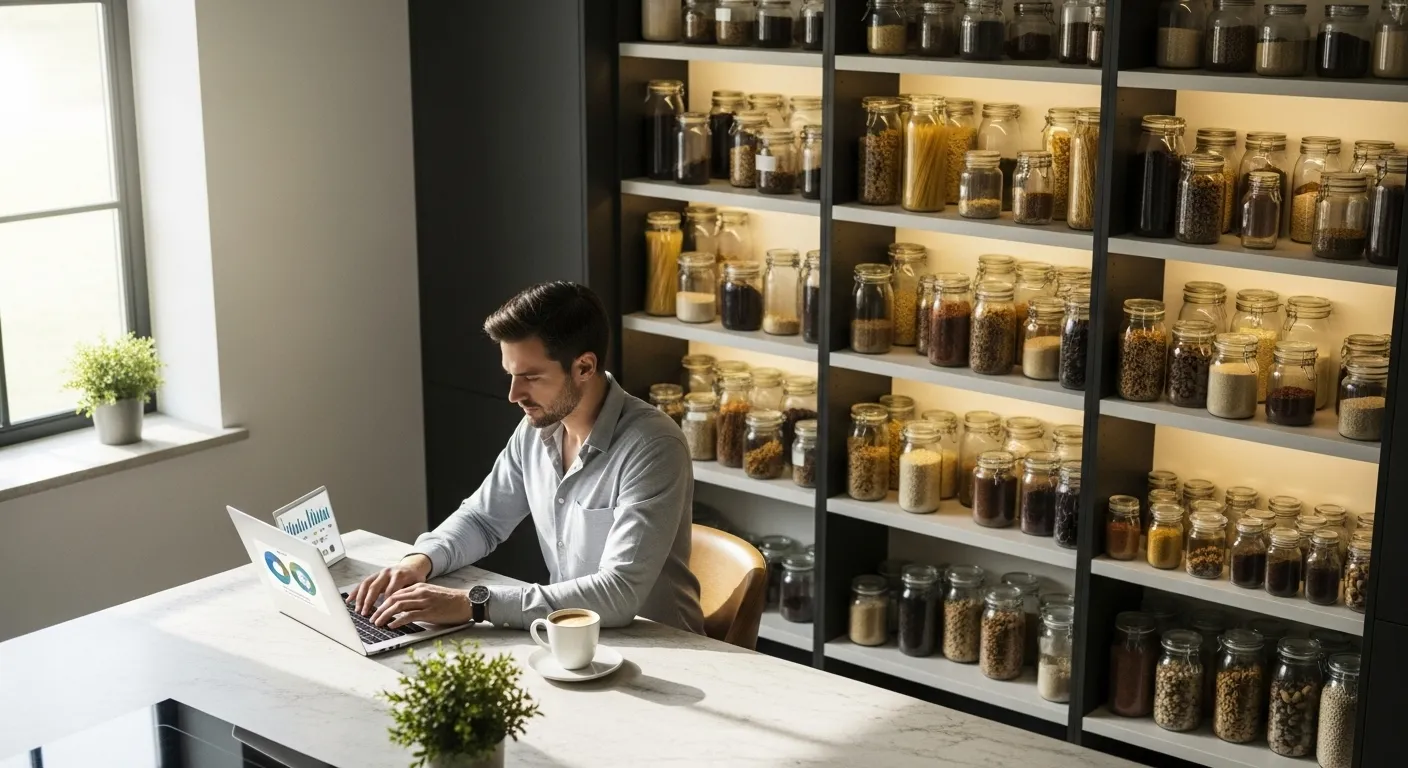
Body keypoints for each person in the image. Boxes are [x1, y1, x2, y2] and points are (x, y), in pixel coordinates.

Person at [349, 282, 704, 634]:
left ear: (584, 367)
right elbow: (483, 520)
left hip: (660, 648)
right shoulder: (536, 430)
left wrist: (474, 604)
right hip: (570, 639)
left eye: (531, 377)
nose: (513, 394)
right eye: (511, 375)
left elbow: (619, 592)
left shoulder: (652, 446)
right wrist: (419, 562)